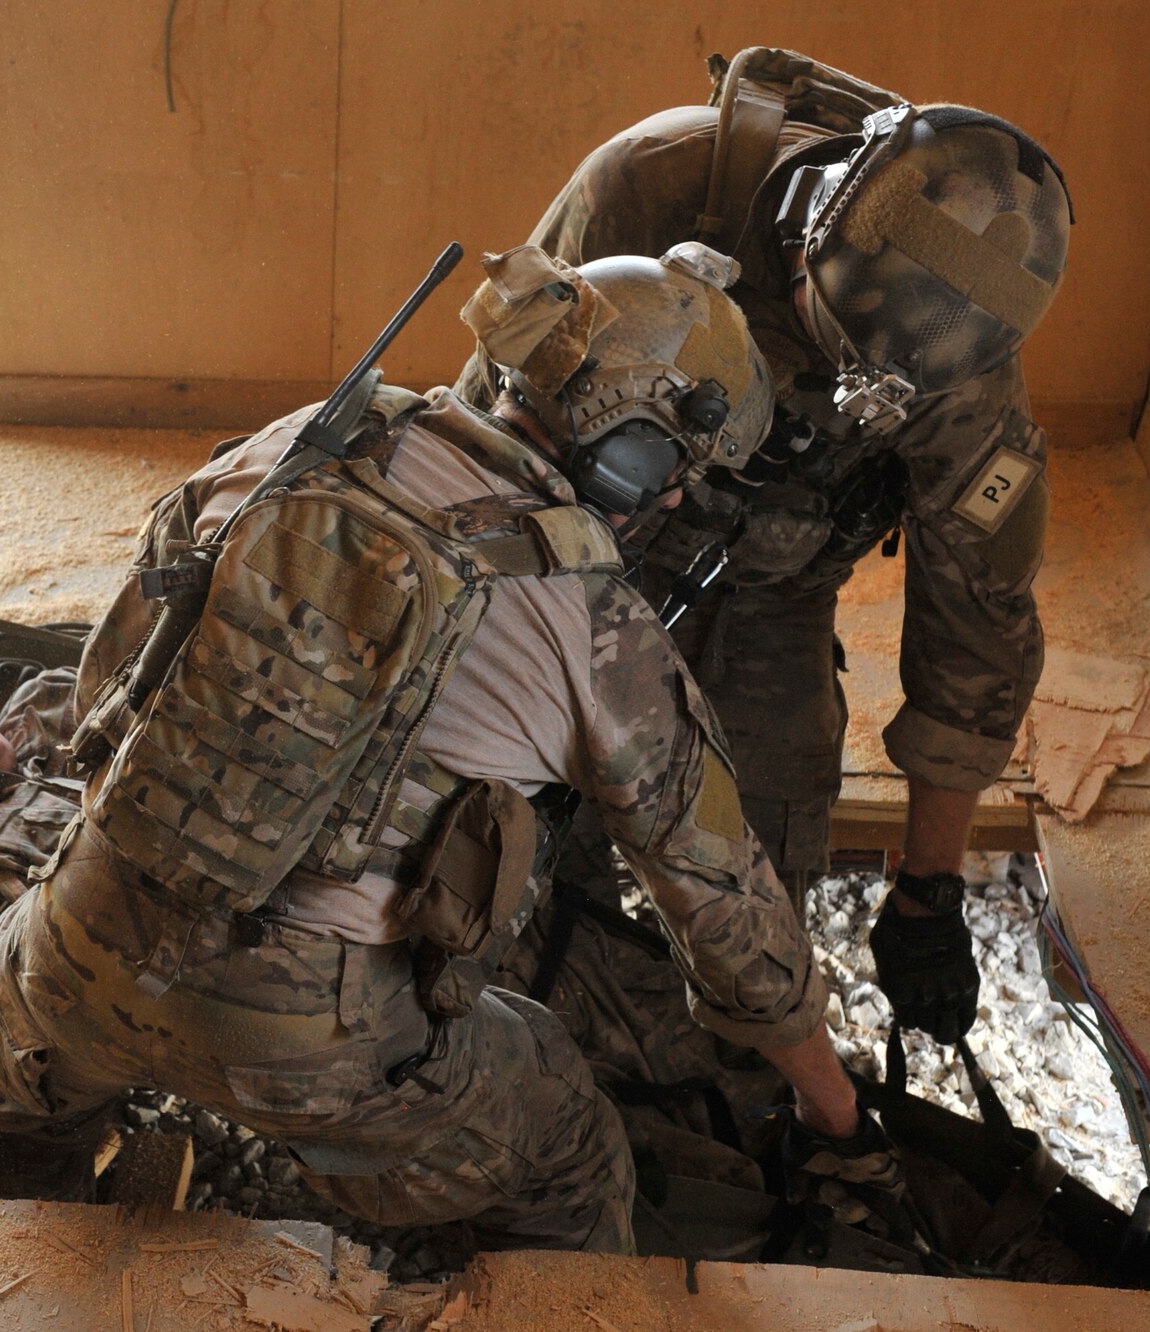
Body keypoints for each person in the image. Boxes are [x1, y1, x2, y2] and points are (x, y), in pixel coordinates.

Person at [0, 245, 907, 1258]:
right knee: (571, 1140)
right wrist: (832, 1108)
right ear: (629, 456)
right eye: (675, 471)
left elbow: (110, 687)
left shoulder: (294, 443)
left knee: (22, 1090)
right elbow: (726, 916)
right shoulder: (598, 625)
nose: (672, 497)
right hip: (308, 1042)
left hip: (77, 952)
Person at [457, 49, 1074, 1050]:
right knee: (506, 836)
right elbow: (492, 435)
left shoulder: (961, 361)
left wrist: (927, 890)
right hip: (578, 553)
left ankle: (715, 1090)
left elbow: (978, 626)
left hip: (769, 587)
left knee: (757, 883)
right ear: (804, 241)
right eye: (828, 344)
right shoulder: (649, 189)